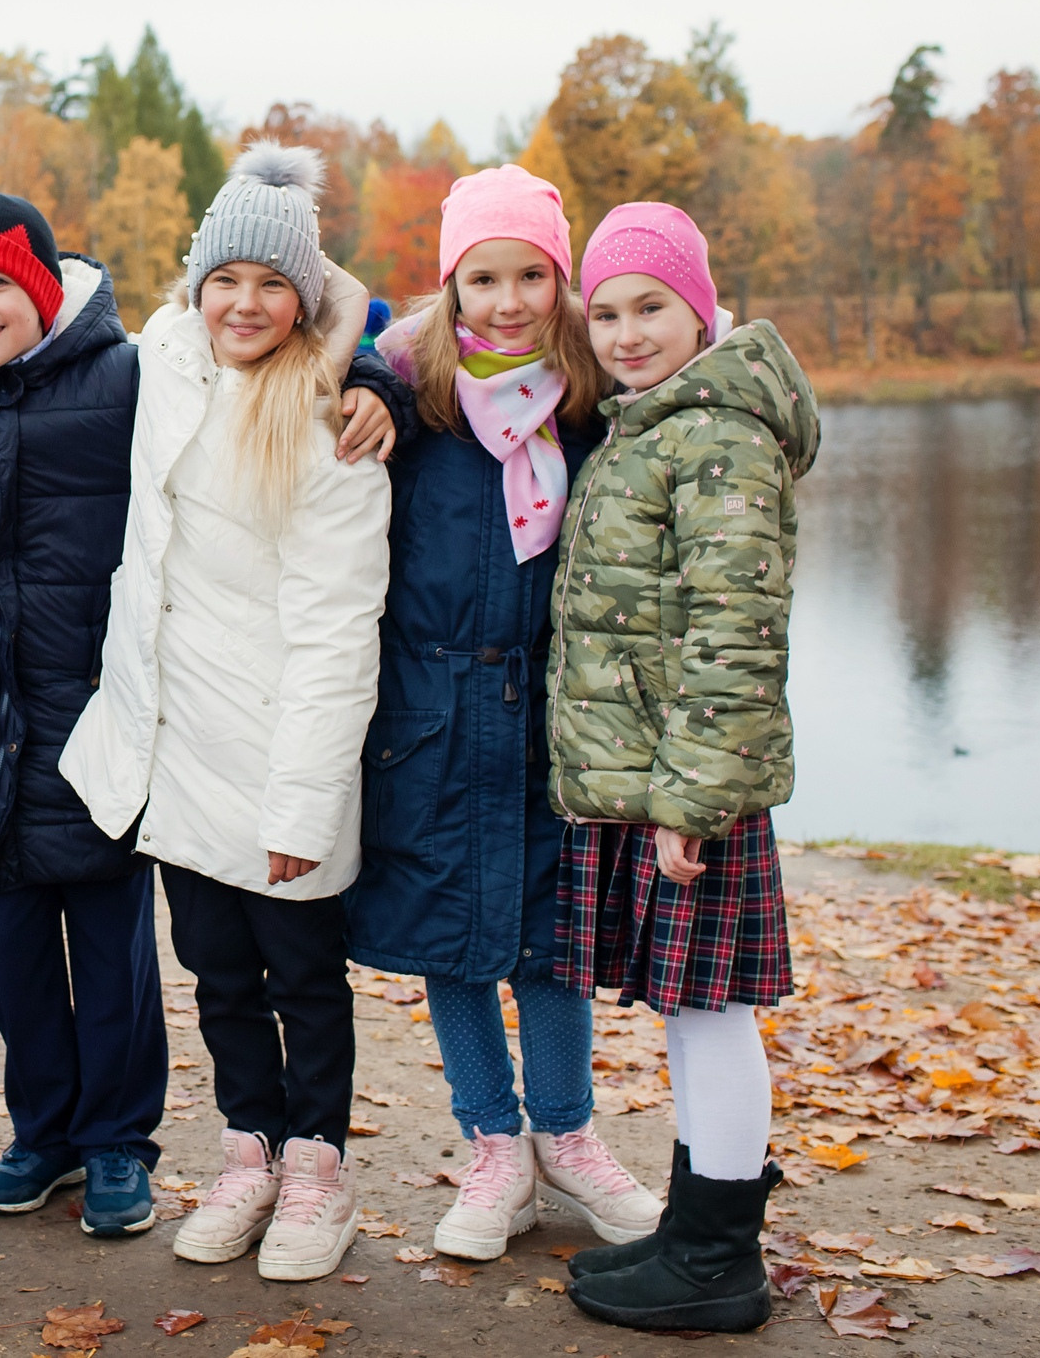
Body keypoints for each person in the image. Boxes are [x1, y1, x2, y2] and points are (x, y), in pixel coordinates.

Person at [0, 192, 409, 1239]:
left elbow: (279, 338)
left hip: (105, 715)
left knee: (113, 955)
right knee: (11, 954)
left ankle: (116, 1141)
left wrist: (371, 372)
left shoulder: (129, 374)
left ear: (44, 291)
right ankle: (43, 1136)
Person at [61, 145, 391, 1282]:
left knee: (302, 977)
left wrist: (304, 800)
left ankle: (318, 1169)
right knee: (215, 972)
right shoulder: (164, 355)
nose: (243, 305)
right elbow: (39, 308)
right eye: (224, 280)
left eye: (272, 284)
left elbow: (338, 632)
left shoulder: (328, 425)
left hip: (278, 751)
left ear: (306, 298)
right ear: (193, 286)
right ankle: (249, 1152)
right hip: (176, 746)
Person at [345, 166, 662, 1263]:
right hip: (429, 710)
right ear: (452, 285)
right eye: (483, 278)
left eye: (532, 275)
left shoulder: (592, 400)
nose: (510, 300)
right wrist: (366, 380)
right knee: (454, 935)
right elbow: (332, 343)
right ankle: (493, 1145)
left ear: (561, 280)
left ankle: (567, 1135)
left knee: (551, 934)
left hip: (553, 713)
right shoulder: (411, 396)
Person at [548, 202, 817, 1335]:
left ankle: (718, 1261)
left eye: (650, 306)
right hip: (660, 779)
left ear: (699, 310)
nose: (626, 332)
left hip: (694, 787)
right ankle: (696, 1228)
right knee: (689, 1013)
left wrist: (693, 801)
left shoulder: (718, 434)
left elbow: (736, 628)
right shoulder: (651, 425)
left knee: (711, 1014)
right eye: (605, 311)